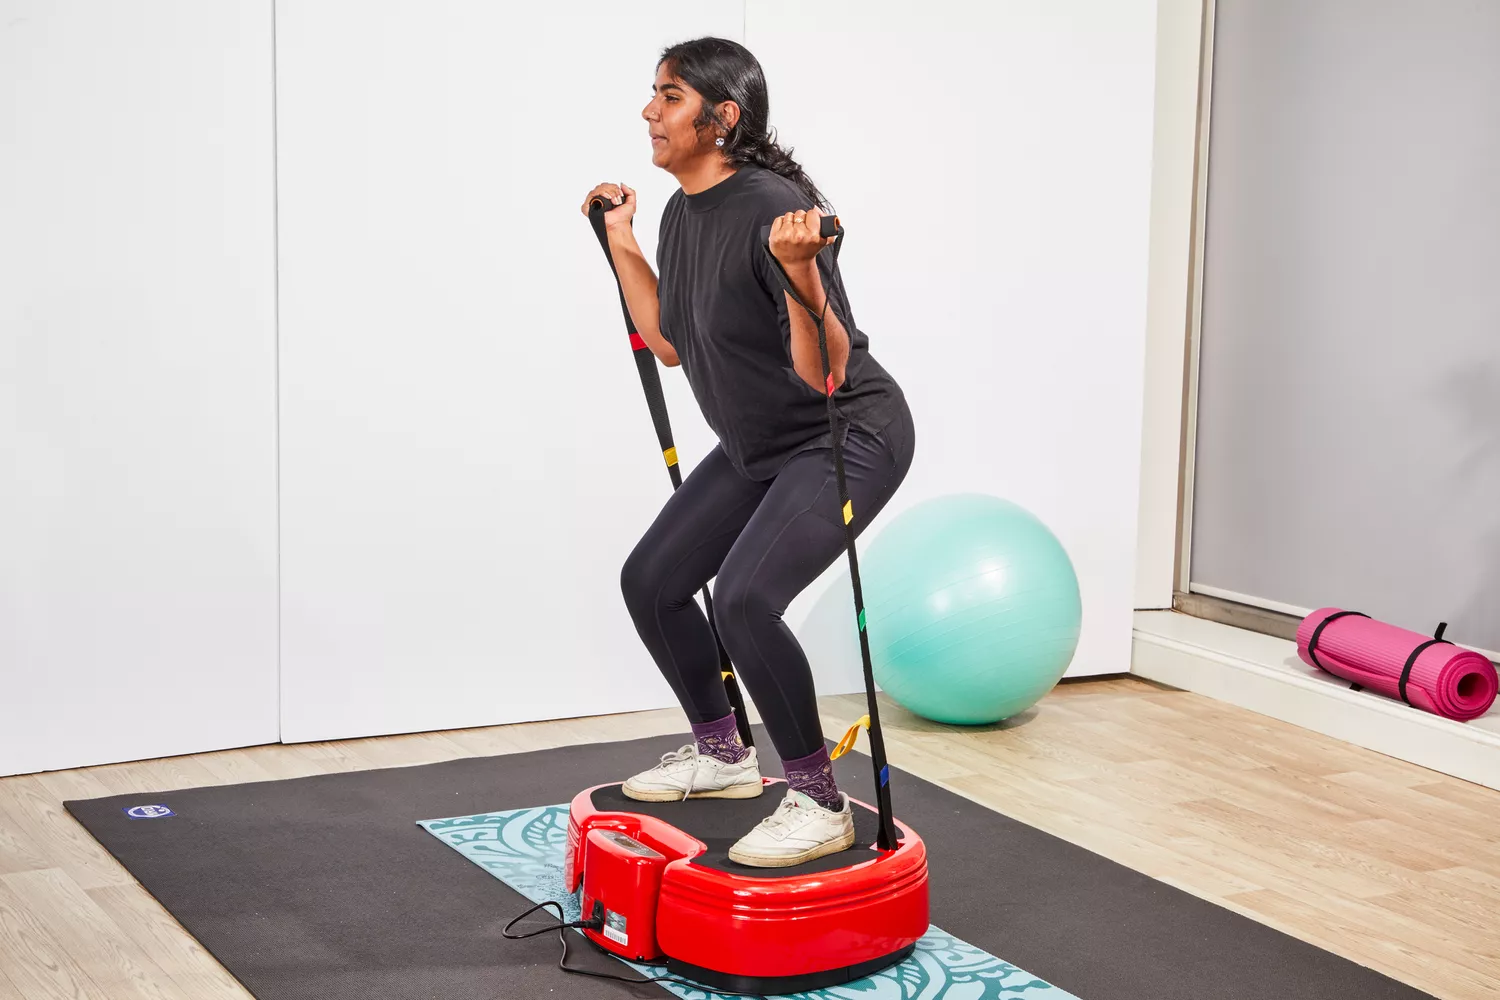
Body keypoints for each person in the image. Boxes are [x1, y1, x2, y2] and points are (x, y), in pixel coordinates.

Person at [579, 37, 914, 868]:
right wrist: (621, 239)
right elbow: (666, 340)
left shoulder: (776, 209)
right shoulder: (682, 210)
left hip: (846, 433)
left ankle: (815, 799)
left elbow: (826, 371)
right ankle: (725, 755)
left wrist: (799, 268)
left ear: (721, 118)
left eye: (670, 97)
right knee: (653, 581)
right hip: (759, 443)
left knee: (743, 598)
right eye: (653, 94)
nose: (650, 112)